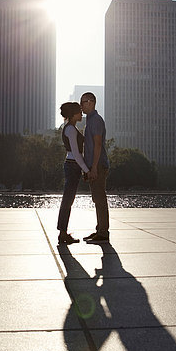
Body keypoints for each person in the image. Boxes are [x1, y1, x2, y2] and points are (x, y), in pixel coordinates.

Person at [57, 102, 90, 244]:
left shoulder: (72, 128)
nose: (81, 114)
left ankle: (63, 232)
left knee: (68, 199)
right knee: (67, 200)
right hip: (72, 165)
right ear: (72, 114)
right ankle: (62, 233)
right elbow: (76, 153)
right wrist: (86, 170)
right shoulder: (70, 129)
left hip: (73, 165)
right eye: (79, 112)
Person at [80, 92, 110, 242]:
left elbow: (98, 145)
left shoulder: (96, 120)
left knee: (100, 199)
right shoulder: (90, 121)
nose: (81, 106)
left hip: (98, 165)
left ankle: (103, 233)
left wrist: (94, 168)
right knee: (97, 199)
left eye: (83, 102)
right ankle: (100, 229)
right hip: (93, 165)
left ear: (91, 102)